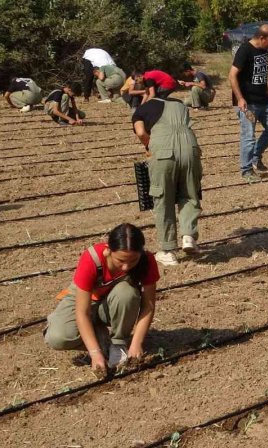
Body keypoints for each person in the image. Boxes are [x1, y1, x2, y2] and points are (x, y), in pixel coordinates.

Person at [45, 223, 160, 372]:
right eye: (121, 260)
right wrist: (95, 353)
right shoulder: (92, 258)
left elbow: (148, 306)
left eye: (133, 261)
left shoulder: (147, 261)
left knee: (127, 293)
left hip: (113, 303)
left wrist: (136, 343)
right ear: (108, 251)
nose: (126, 267)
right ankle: (102, 341)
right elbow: (82, 312)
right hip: (85, 302)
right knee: (58, 337)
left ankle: (119, 343)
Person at [132, 91, 203, 267]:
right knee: (190, 193)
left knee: (163, 199)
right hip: (190, 149)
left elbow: (141, 132)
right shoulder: (179, 105)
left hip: (164, 152)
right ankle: (188, 237)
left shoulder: (142, 109)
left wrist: (149, 146)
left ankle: (167, 249)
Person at [229, 24, 268, 183]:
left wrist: (267, 89)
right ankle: (246, 170)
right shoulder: (245, 50)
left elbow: (259, 73)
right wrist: (240, 98)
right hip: (247, 103)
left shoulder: (264, 49)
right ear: (261, 37)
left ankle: (256, 157)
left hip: (263, 100)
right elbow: (232, 76)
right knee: (248, 136)